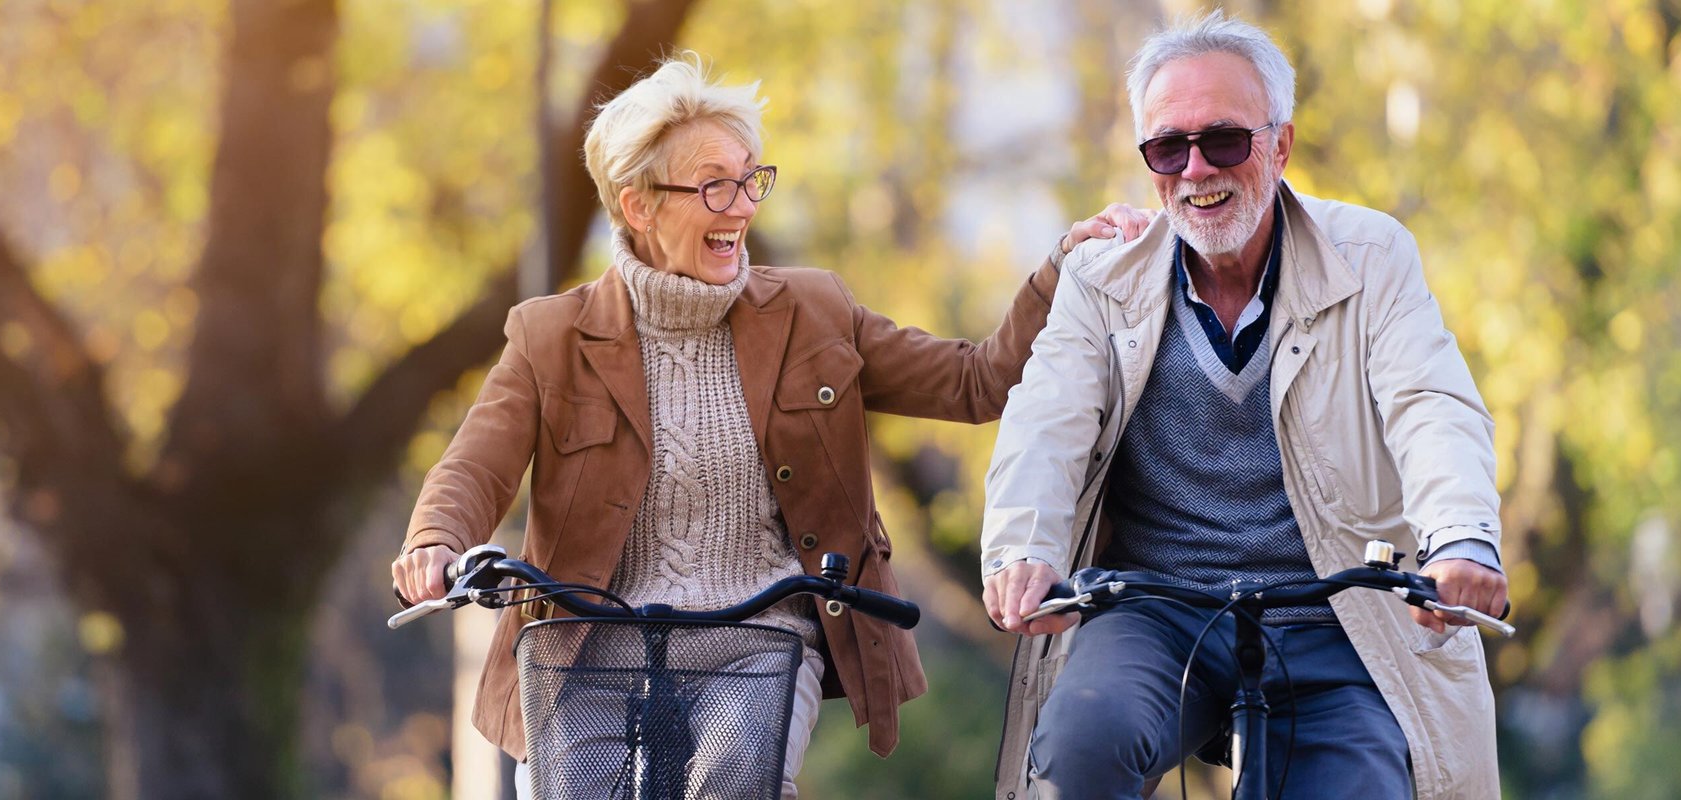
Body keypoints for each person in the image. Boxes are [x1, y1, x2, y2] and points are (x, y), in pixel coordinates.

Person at [390, 55, 1148, 799]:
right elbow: (473, 469)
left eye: (751, 178)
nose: (744, 206)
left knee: (733, 785)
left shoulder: (815, 311)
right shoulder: (552, 336)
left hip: (756, 638)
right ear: (638, 204)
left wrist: (1058, 271)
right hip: (591, 642)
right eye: (715, 184)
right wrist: (434, 543)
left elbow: (974, 381)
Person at [979, 12, 1509, 800]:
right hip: (1155, 611)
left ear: (1280, 146)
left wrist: (1461, 538)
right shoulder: (1101, 279)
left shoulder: (1371, 256)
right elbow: (1044, 417)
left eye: (1224, 140)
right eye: (1168, 147)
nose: (1195, 170)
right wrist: (1023, 549)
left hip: (1335, 618)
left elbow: (1429, 402)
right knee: (1078, 752)